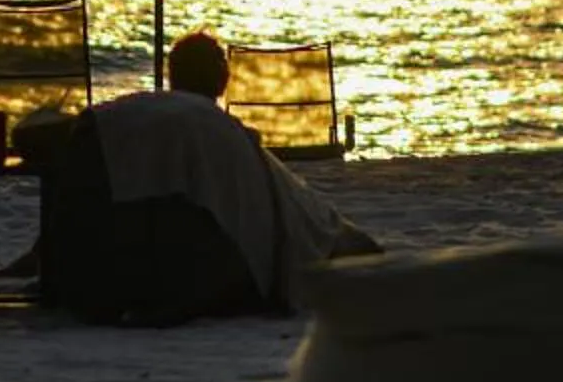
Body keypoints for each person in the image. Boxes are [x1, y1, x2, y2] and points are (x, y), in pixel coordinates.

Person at [42, 28, 380, 324]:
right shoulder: (220, 132)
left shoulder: (128, 110)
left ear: (173, 74)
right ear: (222, 80)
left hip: (88, 241)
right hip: (142, 248)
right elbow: (264, 211)